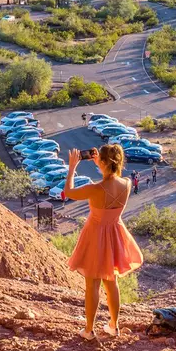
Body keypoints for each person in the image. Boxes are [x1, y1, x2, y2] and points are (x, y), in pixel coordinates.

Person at [61, 144, 143, 339]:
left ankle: (89, 330)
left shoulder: (95, 189)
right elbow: (111, 177)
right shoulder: (127, 184)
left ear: (105, 162)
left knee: (92, 284)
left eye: (101, 162)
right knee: (111, 281)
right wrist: (100, 162)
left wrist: (72, 167)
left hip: (96, 235)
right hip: (115, 233)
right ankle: (114, 326)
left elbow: (69, 192)